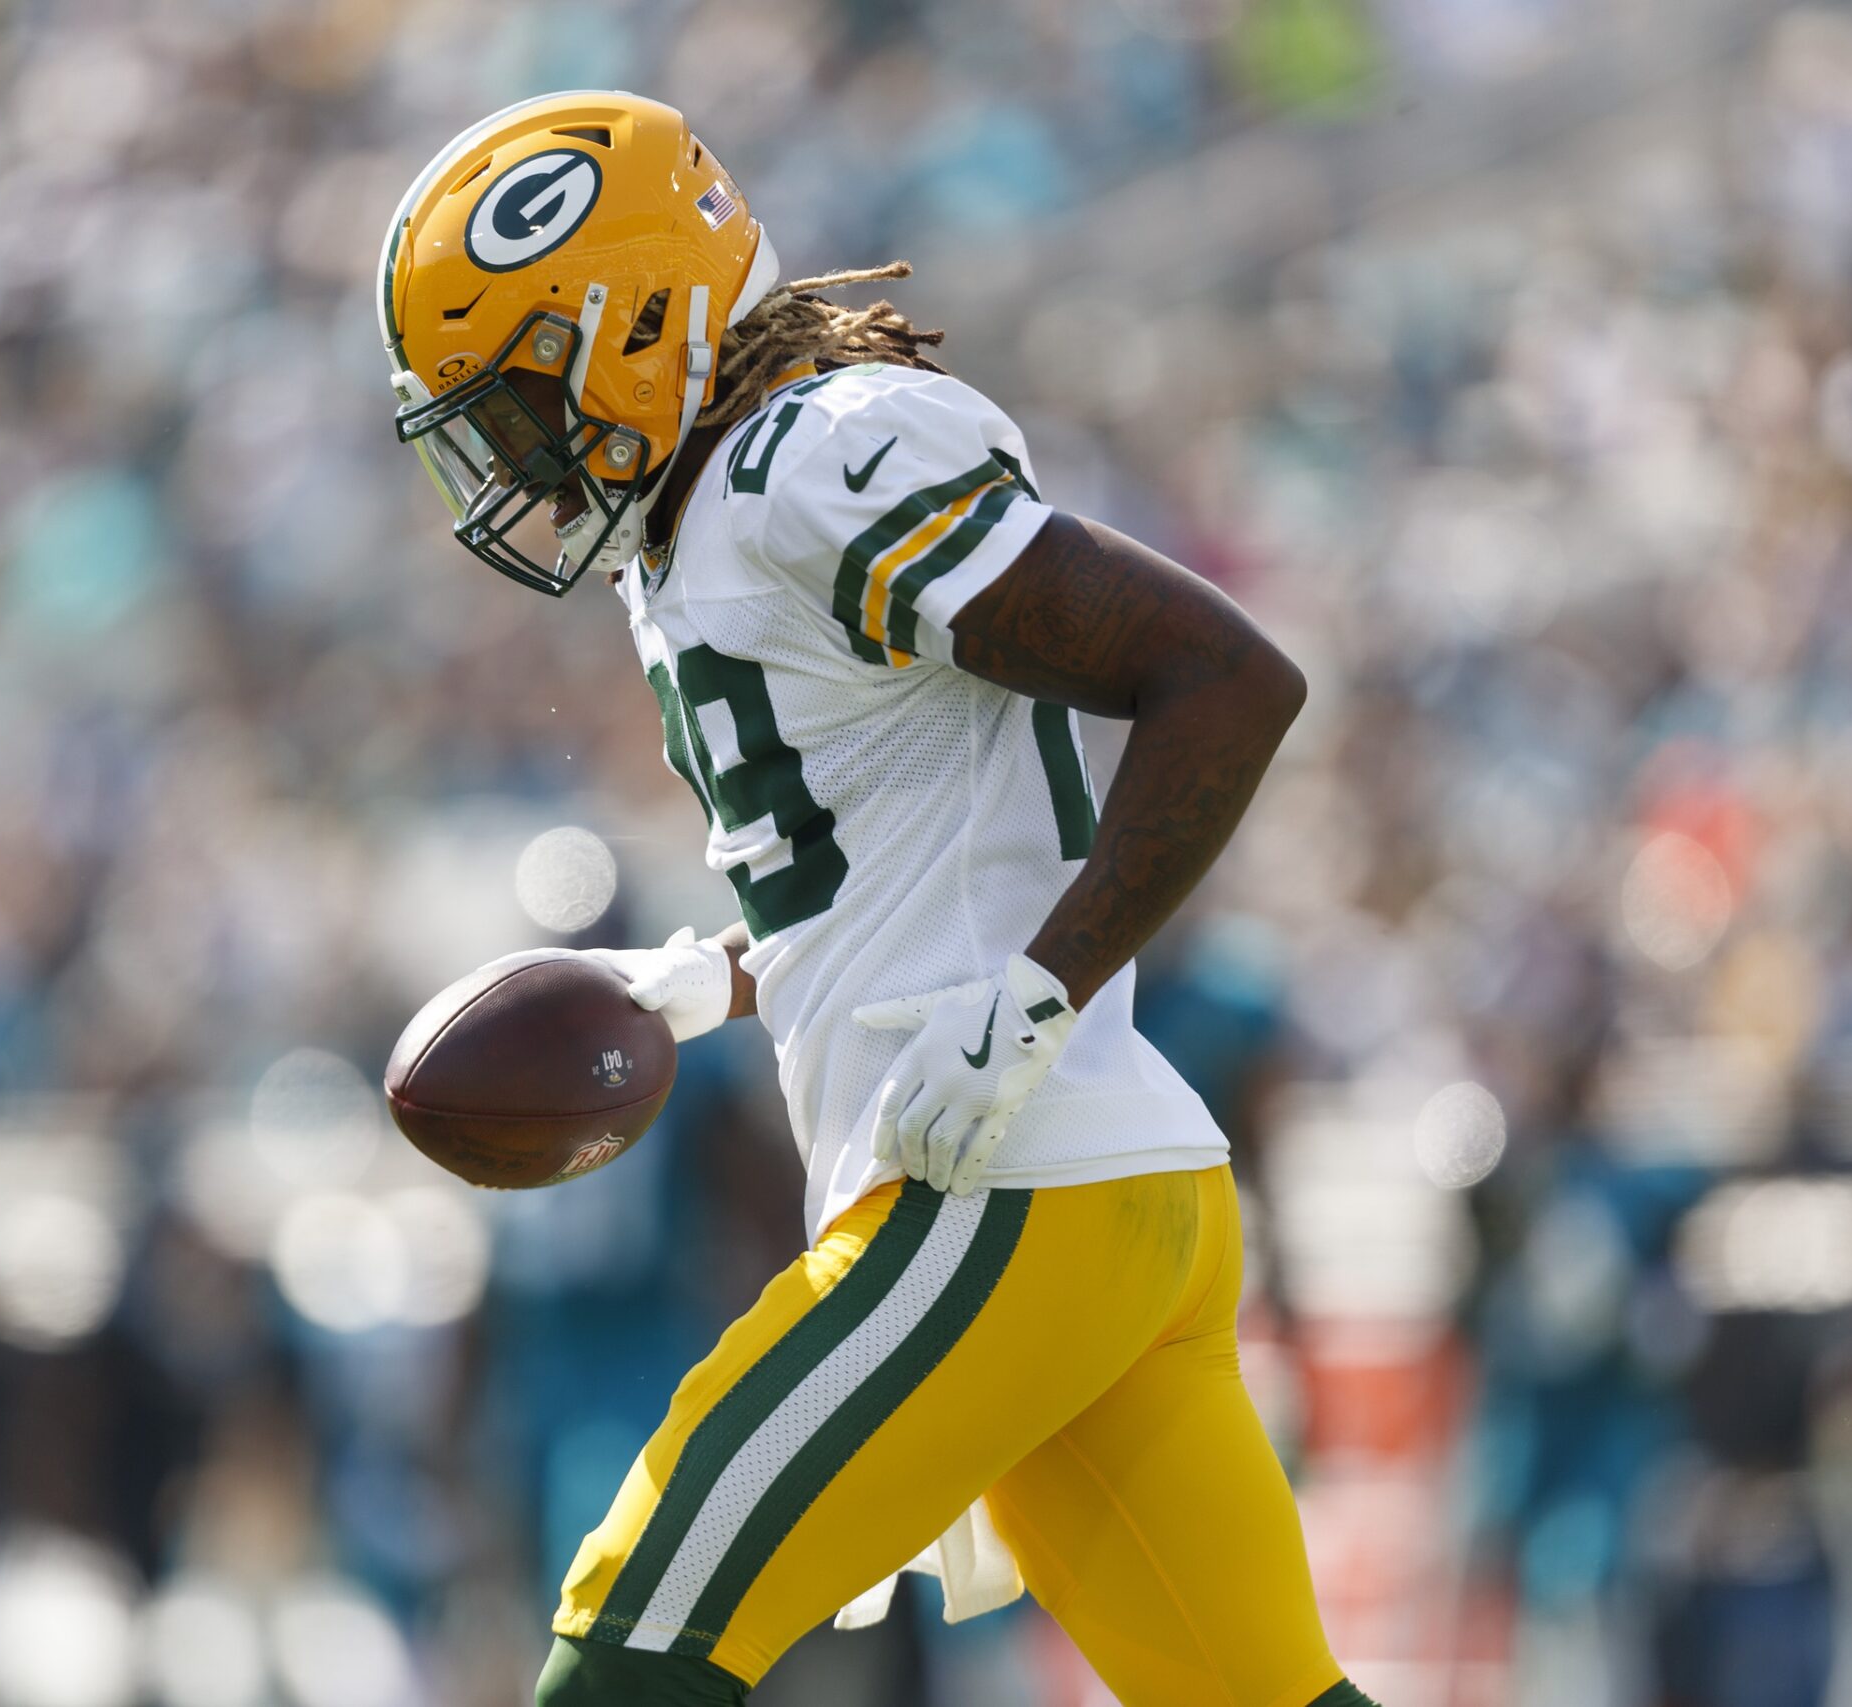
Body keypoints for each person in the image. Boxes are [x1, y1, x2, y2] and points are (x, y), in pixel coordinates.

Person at [376, 91, 1372, 1707]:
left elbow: (1224, 678)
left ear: (632, 319)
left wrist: (1040, 991)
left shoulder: (813, 459)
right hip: (1105, 1193)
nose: (520, 462)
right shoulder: (716, 513)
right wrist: (725, 974)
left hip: (1003, 1191)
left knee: (632, 1646)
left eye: (526, 403)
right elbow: (924, 851)